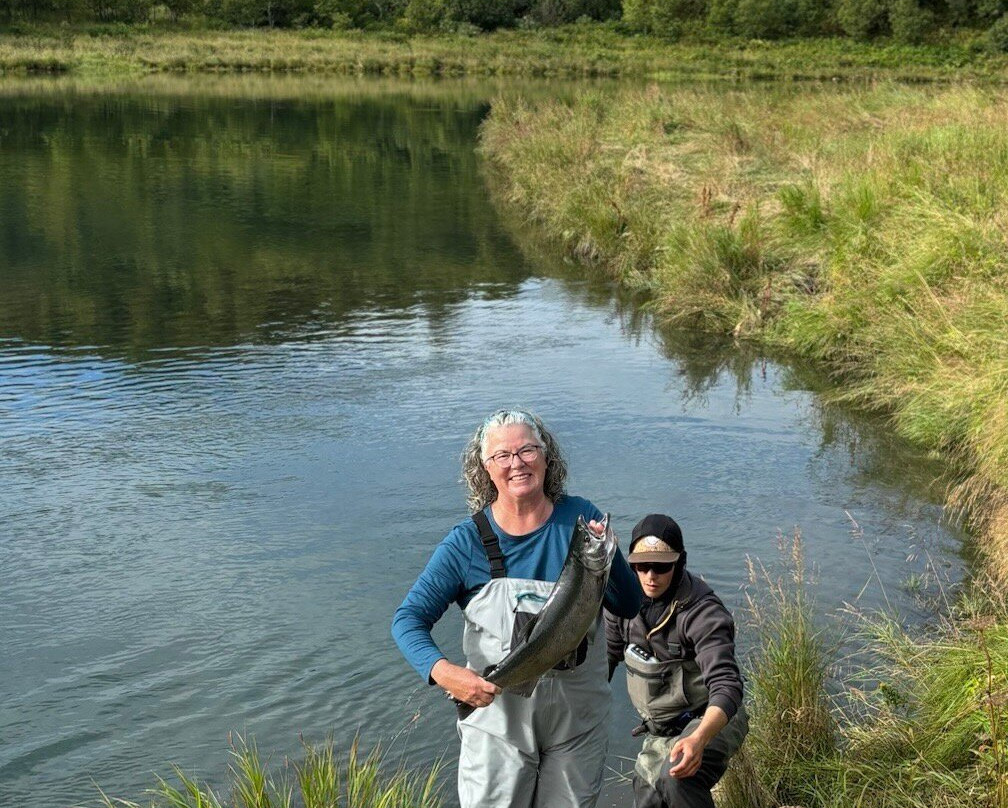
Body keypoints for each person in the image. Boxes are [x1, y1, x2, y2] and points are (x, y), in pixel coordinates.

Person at [392, 408, 642, 808]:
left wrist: (607, 555)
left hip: (577, 722)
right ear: (485, 469)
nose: (517, 464)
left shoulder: (582, 520)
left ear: (547, 457)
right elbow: (407, 621)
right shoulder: (465, 543)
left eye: (527, 450)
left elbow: (629, 604)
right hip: (497, 721)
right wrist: (445, 674)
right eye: (502, 456)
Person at [605, 514, 748, 808]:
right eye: (641, 566)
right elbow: (601, 665)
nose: (650, 576)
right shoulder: (621, 606)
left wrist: (699, 738)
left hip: (711, 719)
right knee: (648, 797)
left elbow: (727, 685)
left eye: (661, 566)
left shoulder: (703, 614)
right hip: (661, 730)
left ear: (679, 562)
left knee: (677, 776)